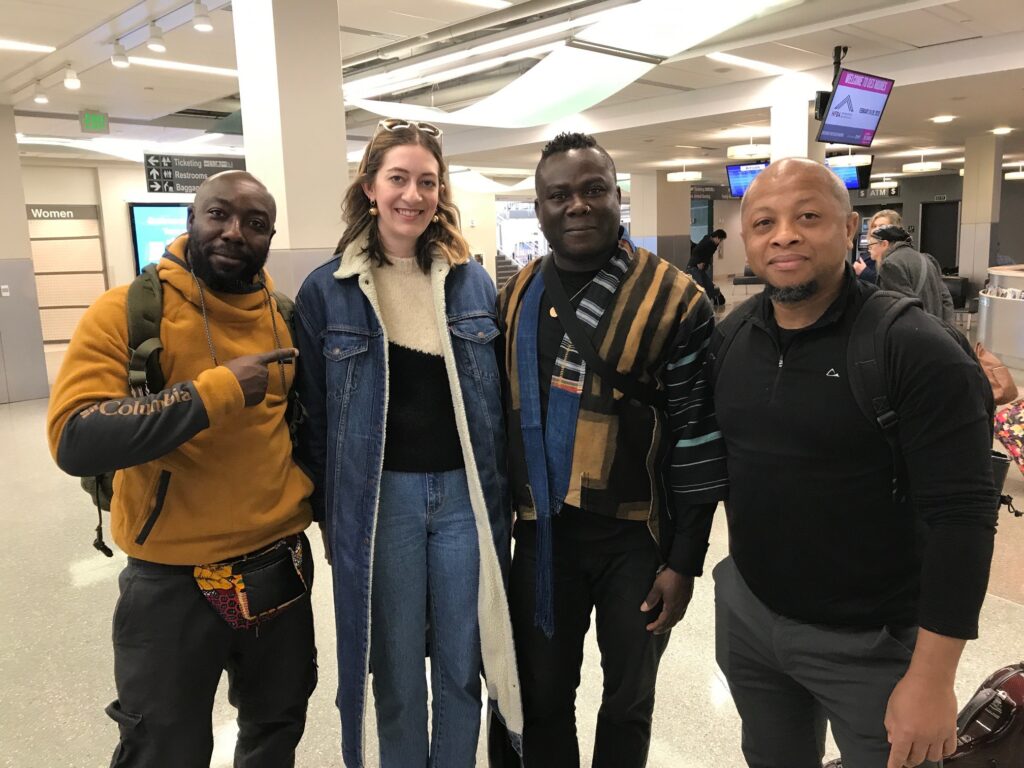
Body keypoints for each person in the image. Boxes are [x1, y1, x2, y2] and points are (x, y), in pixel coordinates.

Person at [707, 158, 997, 768]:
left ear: (849, 231)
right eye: (764, 222)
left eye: (807, 216)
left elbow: (964, 518)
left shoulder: (912, 348)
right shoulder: (733, 339)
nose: (783, 233)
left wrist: (933, 678)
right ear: (748, 241)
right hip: (751, 618)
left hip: (873, 644)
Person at [46, 170, 317, 767]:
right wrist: (210, 394)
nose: (233, 232)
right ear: (191, 220)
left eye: (254, 223)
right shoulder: (126, 311)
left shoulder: (286, 316)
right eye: (217, 214)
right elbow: (75, 436)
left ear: (270, 236)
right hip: (172, 580)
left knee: (276, 725)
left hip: (278, 564)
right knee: (163, 745)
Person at [489, 132, 728, 768]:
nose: (577, 205)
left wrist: (685, 560)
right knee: (542, 695)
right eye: (558, 195)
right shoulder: (516, 296)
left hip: (639, 540)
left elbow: (699, 437)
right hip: (542, 537)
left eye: (593, 190)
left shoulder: (676, 299)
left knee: (628, 700)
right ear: (538, 207)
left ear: (616, 197)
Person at [292, 119, 521, 768]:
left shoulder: (472, 282)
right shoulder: (326, 291)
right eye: (398, 179)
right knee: (391, 673)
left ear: (441, 191)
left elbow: (497, 407)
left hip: (463, 502)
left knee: (459, 665)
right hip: (378, 505)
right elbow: (311, 416)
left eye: (427, 181)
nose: (412, 195)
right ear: (370, 188)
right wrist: (331, 518)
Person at [871, 224, 955, 322]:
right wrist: (946, 330)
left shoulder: (890, 264)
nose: (869, 250)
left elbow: (904, 307)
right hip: (936, 329)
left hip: (914, 331)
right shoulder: (927, 259)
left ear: (884, 244)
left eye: (871, 245)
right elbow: (946, 299)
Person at [853, 210, 900, 284]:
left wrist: (864, 273)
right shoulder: (866, 258)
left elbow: (893, 286)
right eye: (874, 226)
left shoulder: (900, 258)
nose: (876, 230)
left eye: (882, 226)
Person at [687, 228, 727, 298]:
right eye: (720, 240)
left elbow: (708, 255)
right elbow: (696, 251)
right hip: (693, 267)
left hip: (699, 268)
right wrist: (700, 262)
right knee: (701, 287)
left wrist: (706, 263)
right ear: (717, 237)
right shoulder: (708, 242)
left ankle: (710, 301)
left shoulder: (712, 242)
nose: (720, 242)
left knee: (709, 285)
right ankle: (702, 304)